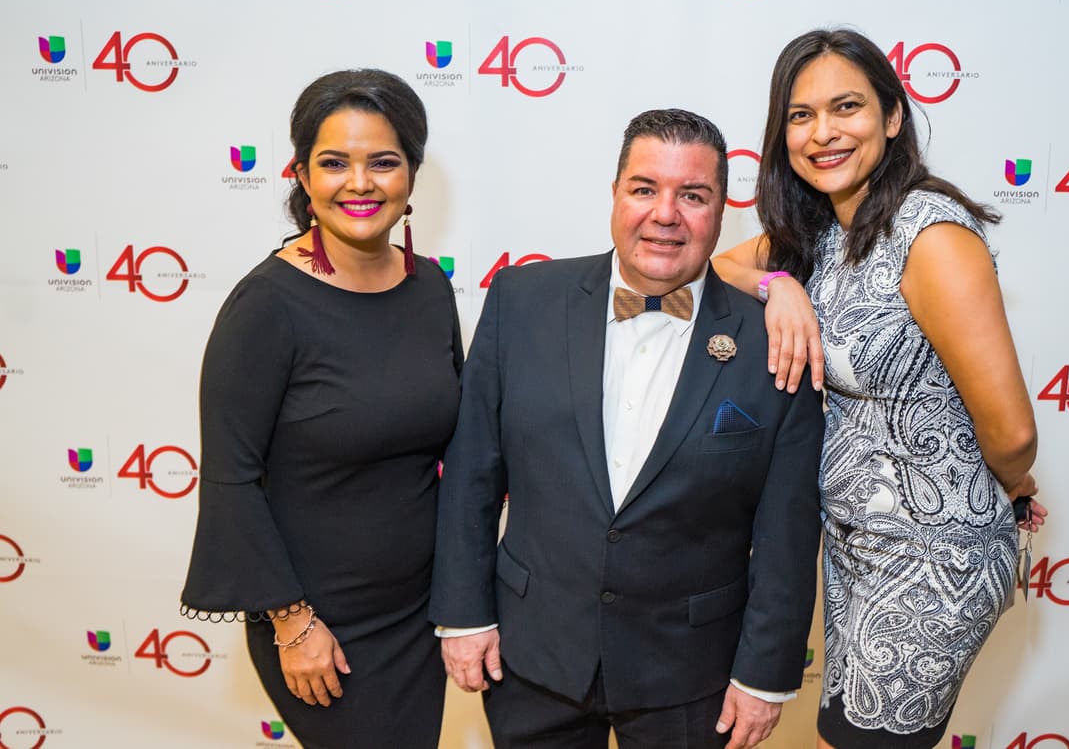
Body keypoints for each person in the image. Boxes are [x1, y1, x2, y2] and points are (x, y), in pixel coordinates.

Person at [430, 108, 825, 749]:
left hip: (696, 676)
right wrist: (462, 613)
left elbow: (787, 529)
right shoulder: (521, 300)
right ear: (615, 195)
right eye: (644, 188)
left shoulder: (776, 341)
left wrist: (766, 674)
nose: (665, 214)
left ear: (722, 210)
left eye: (692, 196)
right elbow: (472, 470)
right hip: (532, 657)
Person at [713, 29, 1045, 749]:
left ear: (893, 117)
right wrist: (780, 286)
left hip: (935, 558)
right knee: (845, 732)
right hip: (859, 548)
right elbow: (716, 270)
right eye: (801, 116)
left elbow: (1013, 434)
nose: (823, 133)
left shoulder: (930, 236)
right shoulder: (826, 231)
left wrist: (1007, 488)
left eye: (847, 108)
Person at [180, 69, 461, 748]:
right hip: (321, 625)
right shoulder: (267, 307)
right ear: (302, 176)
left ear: (412, 175)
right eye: (333, 163)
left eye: (383, 162)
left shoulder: (429, 287)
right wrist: (292, 623)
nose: (359, 183)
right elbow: (231, 479)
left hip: (420, 614)